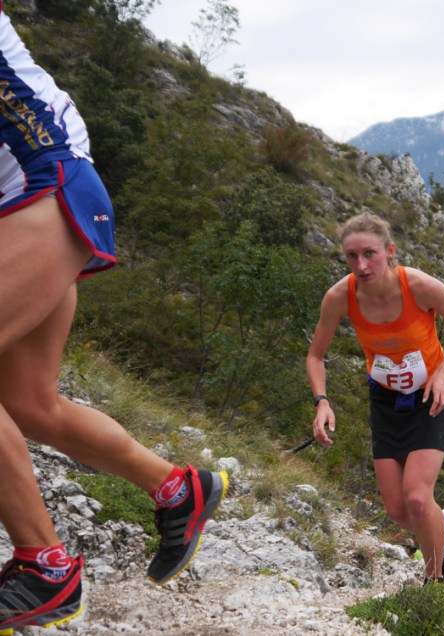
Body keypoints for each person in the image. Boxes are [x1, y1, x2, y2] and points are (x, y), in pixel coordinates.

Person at [0, 6, 227, 632]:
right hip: (30, 203)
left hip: (45, 186)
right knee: (28, 403)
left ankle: (45, 569)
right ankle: (177, 489)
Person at [307, 212, 444, 584]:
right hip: (385, 401)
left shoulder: (419, 286)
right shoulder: (340, 297)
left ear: (390, 251)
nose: (361, 265)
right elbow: (315, 355)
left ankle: (436, 582)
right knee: (399, 510)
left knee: (417, 498)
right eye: (351, 256)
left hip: (430, 396)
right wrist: (322, 401)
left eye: (370, 253)